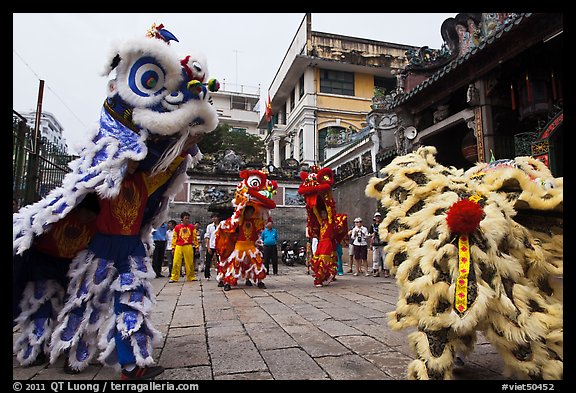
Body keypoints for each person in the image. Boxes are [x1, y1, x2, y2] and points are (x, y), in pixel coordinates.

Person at [13, 194, 99, 372]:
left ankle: (69, 348)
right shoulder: (56, 214)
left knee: (75, 307)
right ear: (78, 209)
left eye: (92, 216)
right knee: (40, 306)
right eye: (86, 213)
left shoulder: (96, 225)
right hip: (44, 263)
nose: (88, 218)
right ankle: (36, 349)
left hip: (72, 266)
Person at [170, 212, 199, 282]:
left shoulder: (192, 227)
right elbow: (174, 237)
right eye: (185, 218)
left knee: (189, 262)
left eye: (188, 218)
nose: (187, 220)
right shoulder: (177, 227)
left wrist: (197, 246)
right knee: (176, 262)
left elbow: (194, 237)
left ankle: (191, 276)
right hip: (179, 245)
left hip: (188, 245)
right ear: (182, 219)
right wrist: (173, 247)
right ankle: (174, 277)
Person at [369, 212, 389, 277]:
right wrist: (373, 235)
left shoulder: (384, 226)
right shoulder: (373, 226)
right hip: (375, 243)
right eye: (376, 217)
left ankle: (386, 271)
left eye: (379, 217)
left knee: (385, 258)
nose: (377, 218)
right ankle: (376, 270)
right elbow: (370, 234)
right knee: (375, 258)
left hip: (383, 243)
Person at [204, 213, 220, 281]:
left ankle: (220, 274)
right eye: (213, 217)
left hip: (219, 246)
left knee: (219, 261)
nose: (214, 219)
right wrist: (208, 247)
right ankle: (207, 275)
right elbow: (207, 237)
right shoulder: (209, 226)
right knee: (208, 261)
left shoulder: (221, 226)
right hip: (211, 245)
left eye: (215, 217)